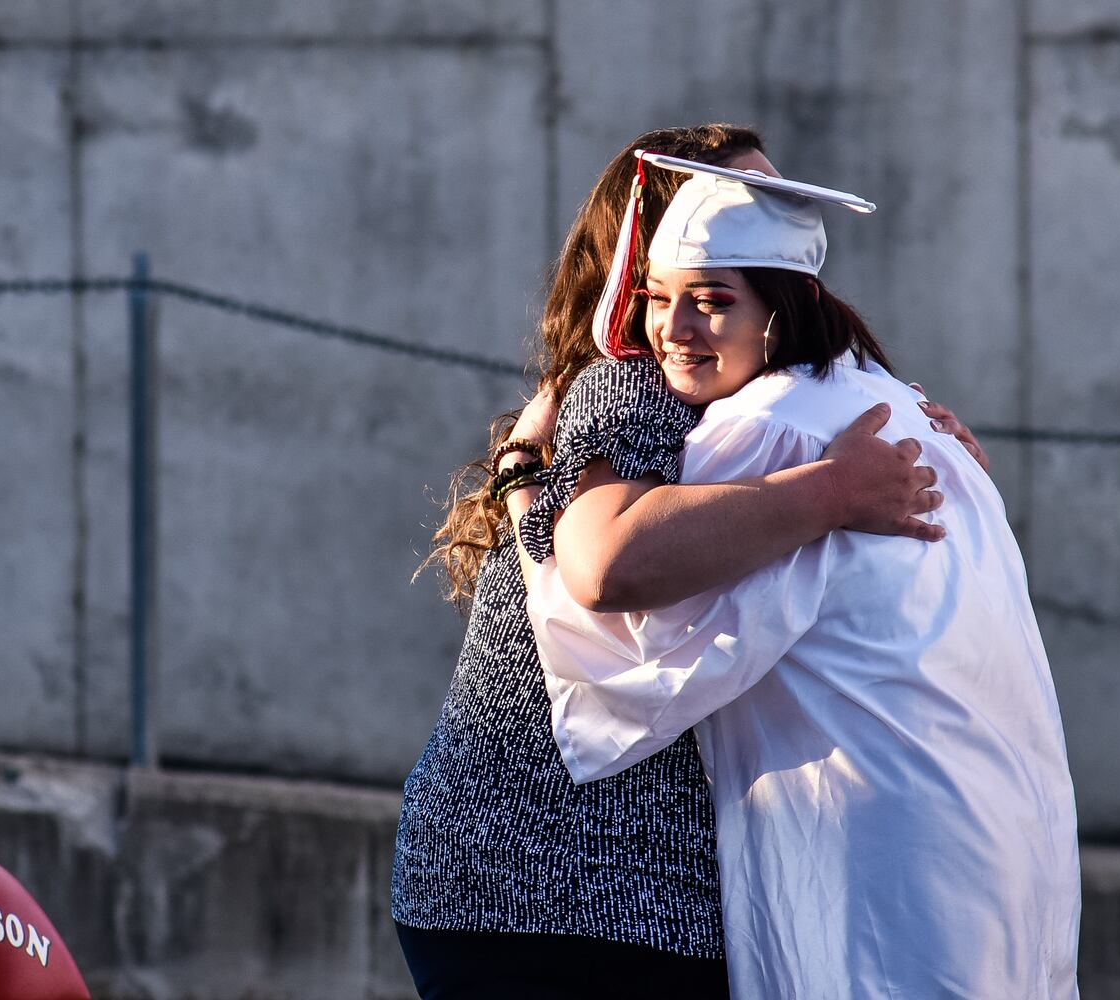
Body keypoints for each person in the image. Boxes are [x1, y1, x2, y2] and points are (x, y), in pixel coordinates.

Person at [391, 124, 982, 1000]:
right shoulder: (631, 382)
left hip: (604, 896)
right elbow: (606, 563)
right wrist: (831, 491)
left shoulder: (749, 391)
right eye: (747, 201)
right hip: (556, 889)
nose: (776, 215)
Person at [524, 156, 1080, 997]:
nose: (673, 329)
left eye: (712, 302)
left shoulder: (770, 431)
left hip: (876, 839)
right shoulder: (895, 406)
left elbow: (628, 654)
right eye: (658, 297)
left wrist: (527, 485)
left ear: (777, 316)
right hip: (994, 825)